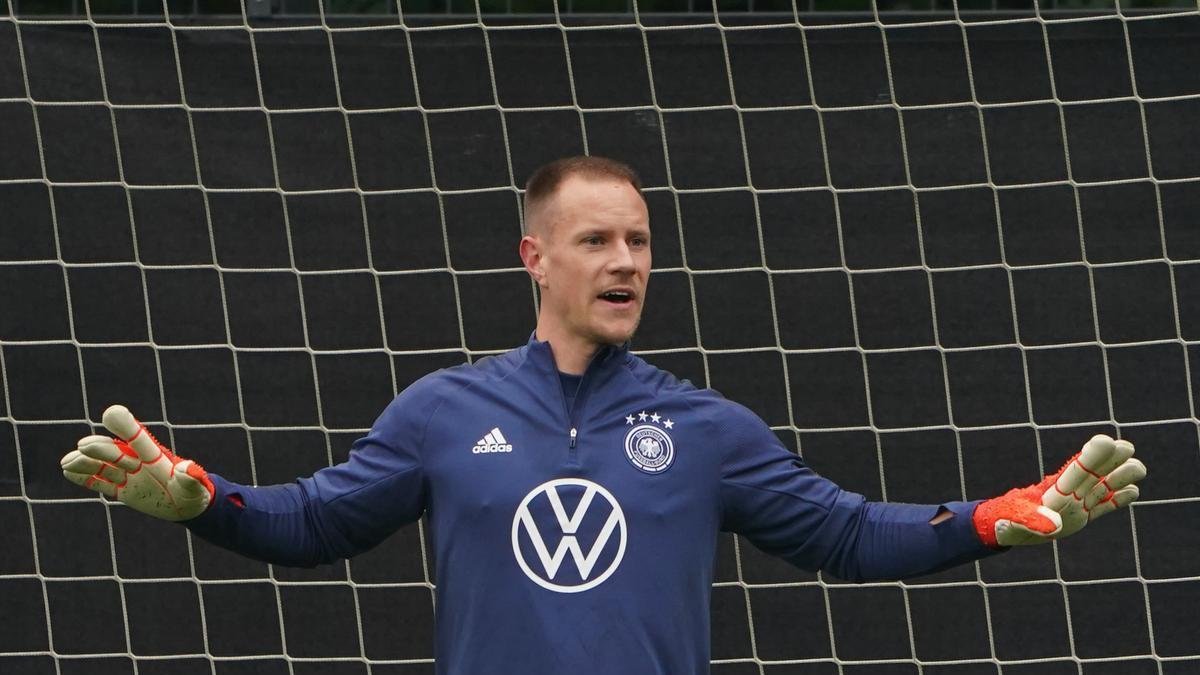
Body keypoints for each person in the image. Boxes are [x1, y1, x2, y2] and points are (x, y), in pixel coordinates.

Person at [60, 156, 1146, 674]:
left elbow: (852, 533)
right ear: (536, 260)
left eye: (637, 240)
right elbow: (311, 523)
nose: (626, 260)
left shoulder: (709, 429)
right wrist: (200, 500)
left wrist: (996, 517)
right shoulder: (443, 410)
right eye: (596, 241)